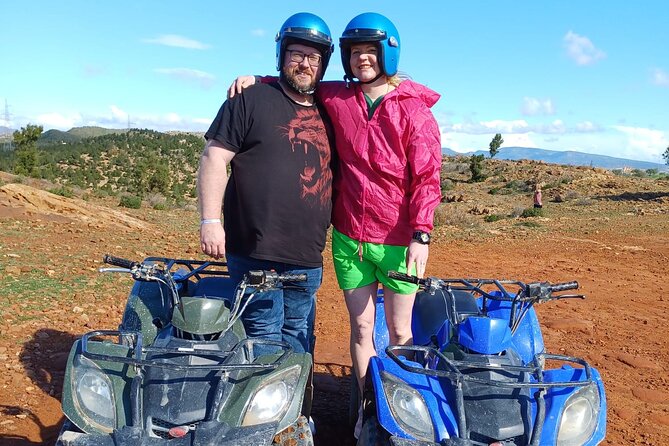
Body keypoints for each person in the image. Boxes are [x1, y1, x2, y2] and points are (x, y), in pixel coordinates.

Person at [231, 13, 442, 436]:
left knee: (400, 331)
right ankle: (365, 410)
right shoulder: (340, 98)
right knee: (362, 328)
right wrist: (256, 77)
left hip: (399, 240)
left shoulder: (415, 113)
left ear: (387, 53)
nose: (362, 59)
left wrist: (422, 233)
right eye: (354, 52)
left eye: (369, 51)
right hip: (350, 238)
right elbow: (297, 82)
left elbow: (427, 177)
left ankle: (398, 413)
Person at [198, 12, 335, 357]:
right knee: (262, 336)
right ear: (282, 55)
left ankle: (296, 406)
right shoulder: (251, 99)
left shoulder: (330, 111)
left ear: (324, 64)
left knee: (299, 334)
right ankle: (265, 410)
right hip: (255, 250)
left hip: (307, 256)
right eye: (297, 54)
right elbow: (214, 159)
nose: (305, 64)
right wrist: (210, 222)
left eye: (313, 57)